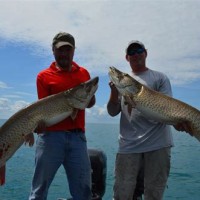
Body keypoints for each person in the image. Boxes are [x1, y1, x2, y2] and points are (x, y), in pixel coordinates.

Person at [107, 40, 192, 200]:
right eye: (131, 52)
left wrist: (178, 122)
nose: (136, 54)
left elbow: (167, 109)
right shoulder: (123, 84)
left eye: (139, 50)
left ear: (145, 53)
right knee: (122, 195)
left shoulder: (160, 78)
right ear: (127, 57)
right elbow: (112, 112)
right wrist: (113, 91)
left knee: (154, 195)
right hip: (128, 146)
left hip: (158, 145)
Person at [28, 32, 95, 200]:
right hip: (50, 138)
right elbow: (42, 110)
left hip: (77, 138)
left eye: (68, 49)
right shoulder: (43, 76)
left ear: (73, 51)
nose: (64, 53)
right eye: (60, 50)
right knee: (38, 192)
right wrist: (37, 125)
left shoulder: (83, 73)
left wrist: (89, 96)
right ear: (53, 50)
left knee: (83, 192)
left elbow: (89, 103)